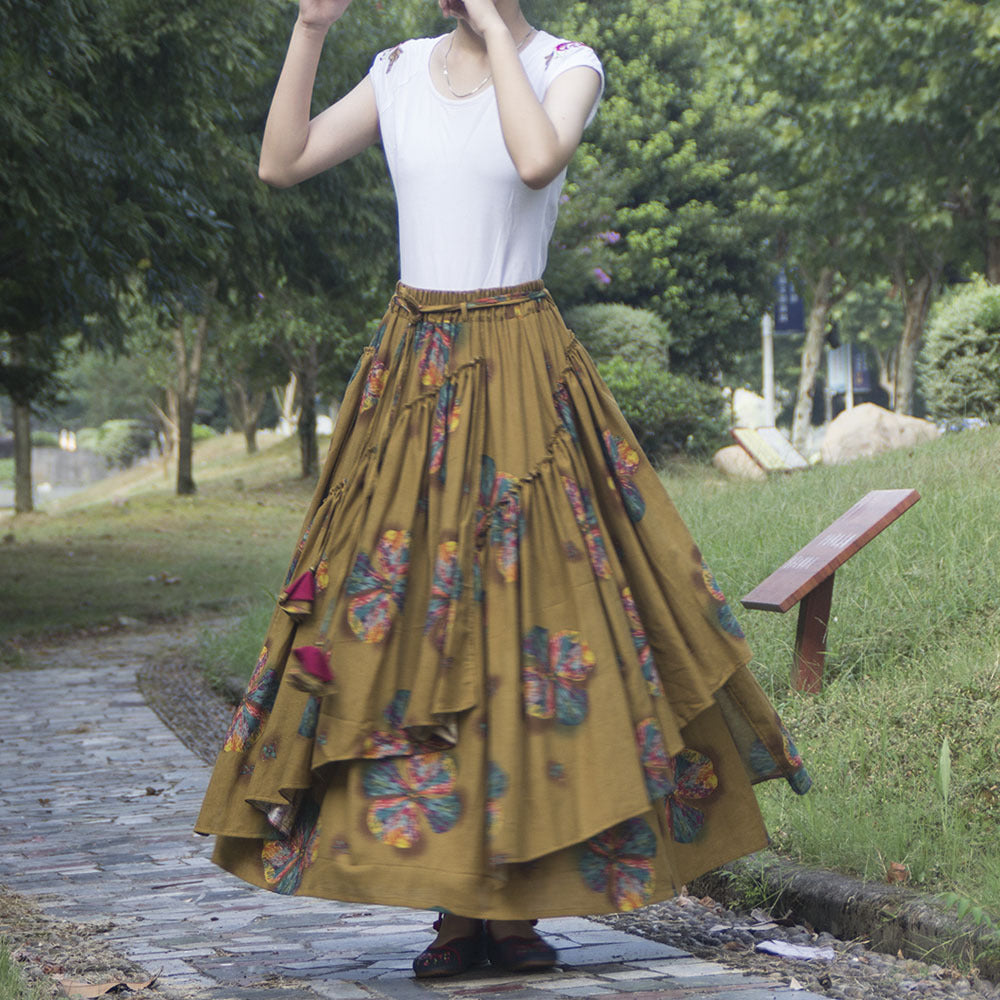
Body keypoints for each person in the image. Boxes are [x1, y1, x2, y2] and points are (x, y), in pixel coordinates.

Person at [195, 0, 811, 980]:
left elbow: (535, 162)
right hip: (412, 376)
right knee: (407, 634)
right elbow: (282, 162)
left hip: (523, 370)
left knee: (533, 633)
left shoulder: (570, 64)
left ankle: (519, 905)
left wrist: (494, 23)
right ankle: (454, 907)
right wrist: (309, 29)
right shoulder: (396, 69)